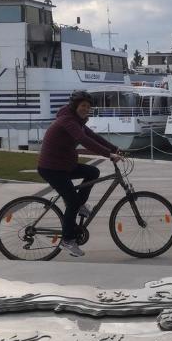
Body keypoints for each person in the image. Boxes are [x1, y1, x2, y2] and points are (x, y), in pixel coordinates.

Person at [37, 90, 121, 257]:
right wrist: (108, 155)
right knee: (72, 203)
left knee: (93, 171)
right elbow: (84, 140)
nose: (86, 109)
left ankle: (80, 206)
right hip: (52, 168)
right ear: (75, 105)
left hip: (65, 165)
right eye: (83, 106)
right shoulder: (67, 121)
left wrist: (115, 148)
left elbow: (93, 136)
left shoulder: (78, 121)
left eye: (88, 107)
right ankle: (67, 240)